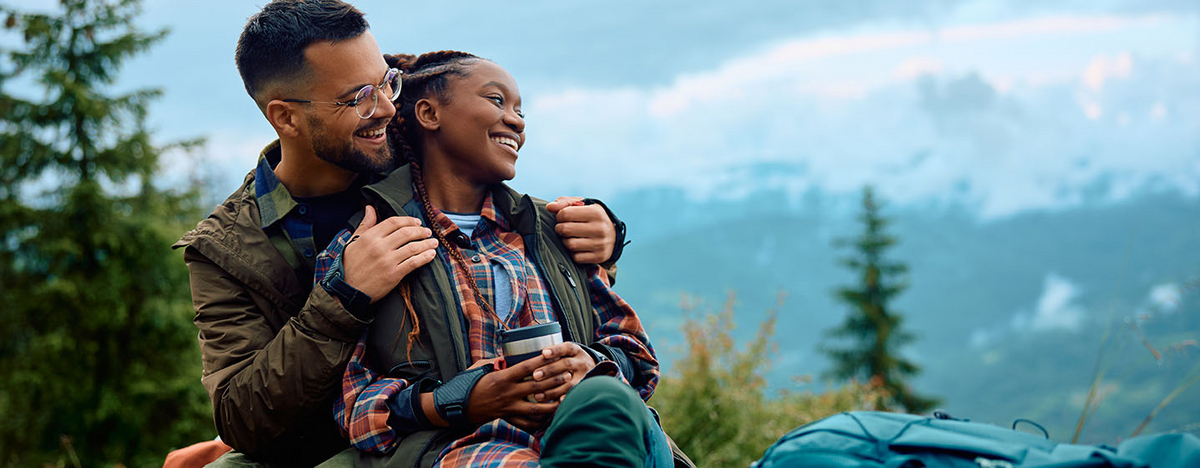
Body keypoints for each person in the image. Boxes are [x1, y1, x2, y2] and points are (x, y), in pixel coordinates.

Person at [172, 1, 627, 466]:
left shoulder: (419, 154)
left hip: (467, 425)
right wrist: (344, 298)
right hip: (345, 439)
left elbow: (509, 229)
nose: (387, 107)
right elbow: (243, 418)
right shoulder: (225, 249)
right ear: (286, 117)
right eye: (359, 98)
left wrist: (603, 232)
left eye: (389, 82)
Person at [320, 50, 688, 468]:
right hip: (469, 448)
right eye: (497, 101)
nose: (517, 120)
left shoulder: (552, 232)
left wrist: (592, 362)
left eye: (520, 109)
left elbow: (635, 353)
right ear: (428, 113)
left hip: (592, 429)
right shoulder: (371, 245)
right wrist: (460, 400)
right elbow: (354, 408)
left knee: (603, 400)